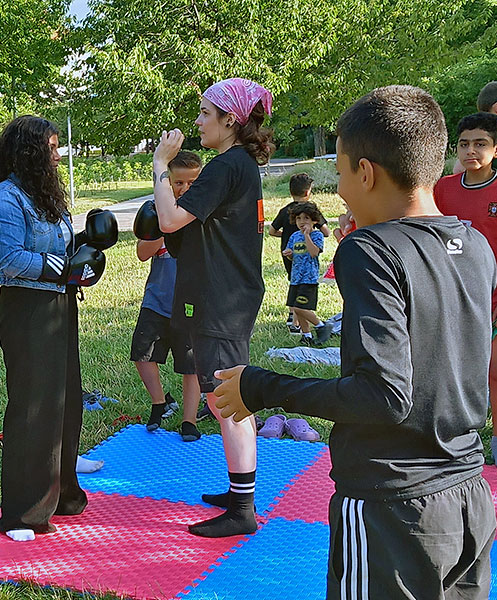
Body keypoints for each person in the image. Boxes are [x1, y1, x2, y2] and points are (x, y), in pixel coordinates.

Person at [212, 85, 497, 600]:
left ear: (365, 172)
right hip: (469, 497)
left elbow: (384, 396)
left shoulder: (370, 250)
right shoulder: (473, 242)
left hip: (393, 505)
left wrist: (260, 385)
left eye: (342, 173)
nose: (340, 189)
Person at [0, 115, 116, 542]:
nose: (58, 156)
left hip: (59, 306)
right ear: (30, 153)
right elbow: (11, 261)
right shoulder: (5, 199)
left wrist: (86, 244)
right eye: (51, 148)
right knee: (33, 407)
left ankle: (62, 494)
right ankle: (22, 513)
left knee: (66, 401)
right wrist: (63, 268)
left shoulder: (46, 195)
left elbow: (57, 245)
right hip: (27, 308)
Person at [152, 77, 274, 538]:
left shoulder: (226, 166)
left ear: (230, 120)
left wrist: (161, 166)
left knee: (227, 399)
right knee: (218, 393)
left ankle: (243, 510)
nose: (198, 121)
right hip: (221, 294)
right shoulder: (237, 165)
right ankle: (237, 491)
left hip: (223, 299)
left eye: (206, 113)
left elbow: (168, 219)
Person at [434, 112, 497, 469]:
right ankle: (455, 438)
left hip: (495, 299)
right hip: (450, 298)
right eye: (464, 143)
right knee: (451, 373)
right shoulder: (442, 188)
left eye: (480, 144)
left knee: (495, 370)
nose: (470, 150)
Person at [131, 150, 203, 440]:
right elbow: (141, 253)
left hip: (190, 303)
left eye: (191, 183)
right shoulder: (156, 211)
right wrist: (164, 225)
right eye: (178, 183)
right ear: (168, 181)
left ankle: (189, 421)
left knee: (191, 363)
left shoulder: (201, 213)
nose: (184, 189)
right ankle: (160, 403)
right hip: (157, 301)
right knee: (142, 353)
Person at [268, 174, 330, 332]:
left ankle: (293, 316)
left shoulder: (285, 210)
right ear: (308, 191)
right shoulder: (312, 210)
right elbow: (326, 232)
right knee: (297, 284)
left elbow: (272, 231)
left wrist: (286, 236)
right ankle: (299, 319)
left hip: (298, 255)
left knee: (294, 282)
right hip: (295, 253)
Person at [282, 201, 333, 346]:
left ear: (314, 220)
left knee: (300, 307)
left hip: (308, 278)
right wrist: (289, 254)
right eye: (298, 218)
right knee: (297, 310)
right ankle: (307, 335)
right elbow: (293, 255)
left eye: (306, 218)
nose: (302, 222)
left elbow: (313, 252)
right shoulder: (294, 236)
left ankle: (322, 326)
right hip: (296, 278)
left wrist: (307, 236)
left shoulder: (317, 235)